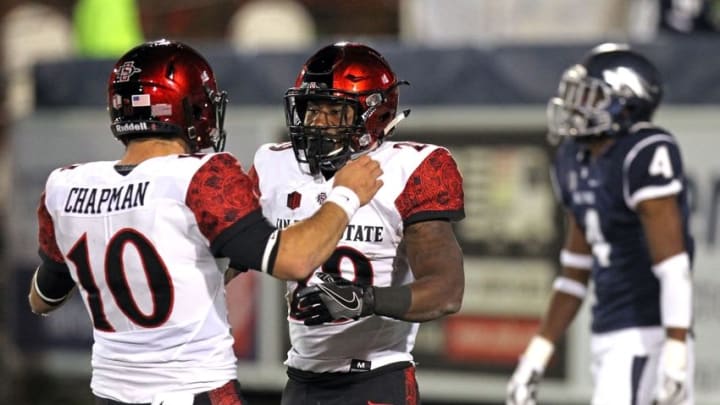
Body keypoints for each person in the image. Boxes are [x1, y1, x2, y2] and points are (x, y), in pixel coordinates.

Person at [27, 39, 383, 405]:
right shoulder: (201, 175)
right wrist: (346, 195)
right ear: (188, 108)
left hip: (110, 395)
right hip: (193, 391)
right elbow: (296, 260)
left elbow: (43, 299)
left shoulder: (65, 185)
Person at [246, 41, 465, 405]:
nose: (317, 123)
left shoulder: (408, 169)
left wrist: (366, 300)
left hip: (375, 378)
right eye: (311, 110)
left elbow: (446, 291)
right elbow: (233, 253)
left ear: (373, 115)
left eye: (334, 111)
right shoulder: (275, 165)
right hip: (300, 379)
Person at [506, 43, 694, 405]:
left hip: (646, 334)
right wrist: (535, 356)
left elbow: (674, 266)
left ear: (624, 102)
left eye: (589, 95)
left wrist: (675, 350)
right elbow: (575, 273)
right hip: (608, 333)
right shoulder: (573, 158)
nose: (575, 105)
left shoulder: (644, 150)